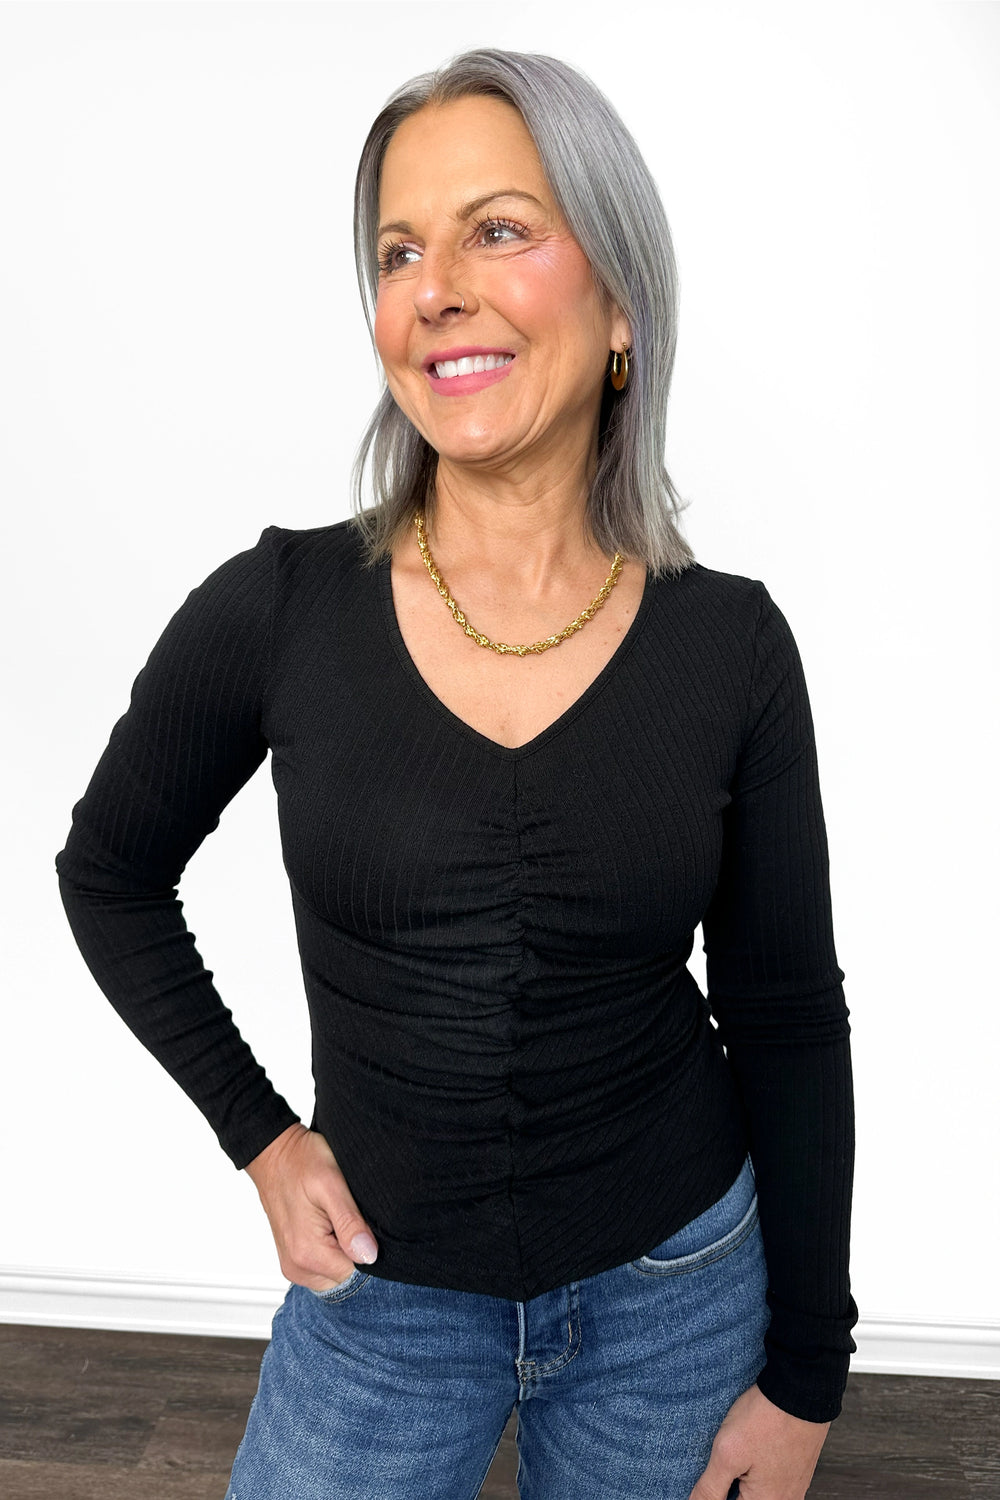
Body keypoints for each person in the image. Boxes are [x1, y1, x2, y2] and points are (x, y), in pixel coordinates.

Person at [55, 47, 858, 1500]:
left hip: (675, 1292)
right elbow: (108, 872)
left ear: (620, 300)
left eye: (498, 230)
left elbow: (787, 1015)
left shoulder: (730, 644)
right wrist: (262, 1139)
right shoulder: (281, 607)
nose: (435, 289)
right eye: (398, 251)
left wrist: (808, 1376)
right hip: (383, 1301)